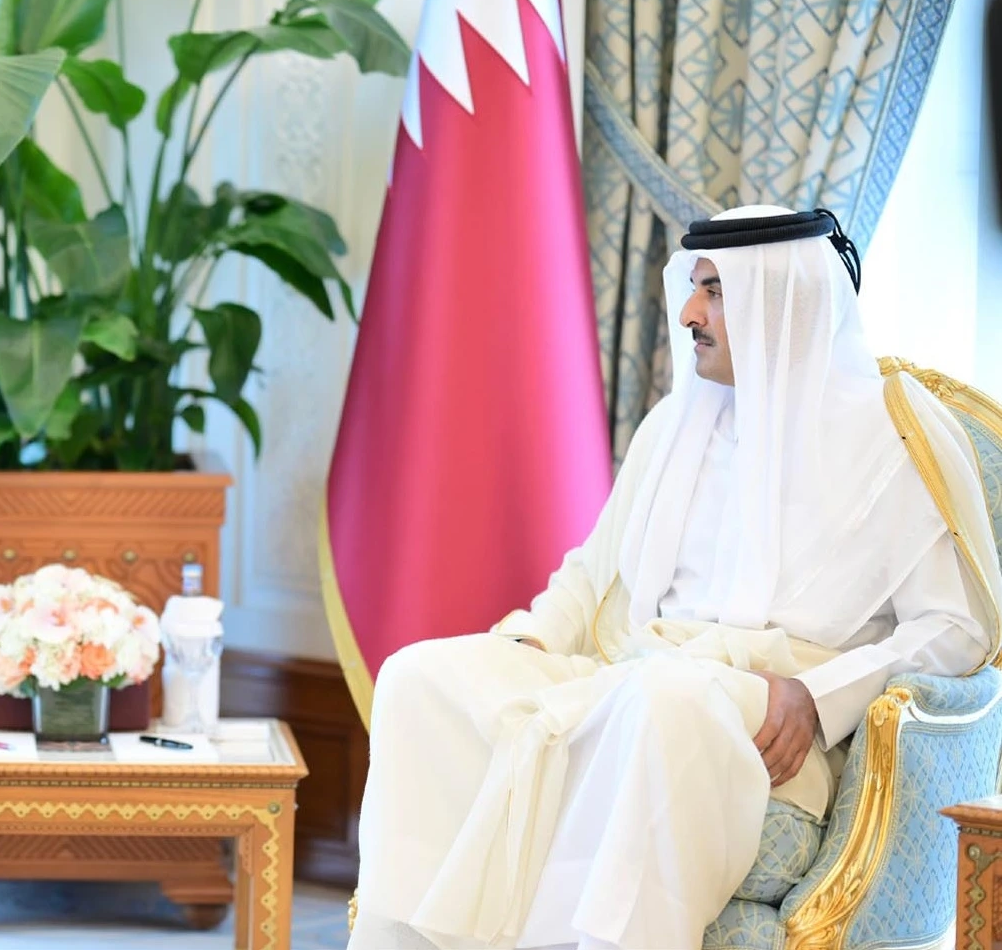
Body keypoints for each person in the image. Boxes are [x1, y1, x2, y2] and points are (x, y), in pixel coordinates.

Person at [347, 205, 1002, 949]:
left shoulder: (890, 443)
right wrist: (533, 641)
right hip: (636, 675)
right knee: (419, 678)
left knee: (662, 700)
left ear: (781, 301)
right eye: (694, 288)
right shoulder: (676, 424)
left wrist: (819, 698)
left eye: (714, 292)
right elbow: (593, 570)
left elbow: (955, 631)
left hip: (764, 713)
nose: (689, 313)